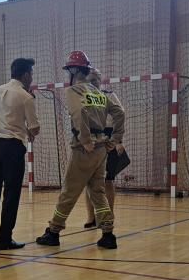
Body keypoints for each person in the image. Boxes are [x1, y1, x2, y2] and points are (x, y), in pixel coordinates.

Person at [36, 51, 125, 250]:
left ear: (75, 70)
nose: (68, 74)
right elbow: (120, 112)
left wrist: (85, 140)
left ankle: (53, 232)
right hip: (101, 149)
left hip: (85, 149)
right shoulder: (99, 93)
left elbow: (78, 112)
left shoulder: (74, 91)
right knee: (97, 191)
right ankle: (108, 234)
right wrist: (115, 138)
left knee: (69, 191)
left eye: (69, 70)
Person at [0, 58, 39, 251]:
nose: (32, 78)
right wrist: (29, 129)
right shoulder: (26, 97)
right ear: (26, 75)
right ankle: (4, 238)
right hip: (12, 148)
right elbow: (34, 128)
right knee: (11, 193)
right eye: (31, 74)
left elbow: (4, 119)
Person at [84, 69, 125, 228]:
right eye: (89, 80)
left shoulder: (109, 95)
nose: (92, 83)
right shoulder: (83, 97)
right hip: (91, 138)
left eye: (95, 80)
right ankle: (91, 217)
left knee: (108, 180)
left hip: (109, 138)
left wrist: (118, 140)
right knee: (88, 181)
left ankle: (109, 215)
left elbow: (119, 116)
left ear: (100, 80)